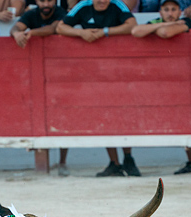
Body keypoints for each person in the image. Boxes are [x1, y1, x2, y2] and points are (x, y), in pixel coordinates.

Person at [56, 0, 142, 177]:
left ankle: (128, 158)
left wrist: (105, 32)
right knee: (104, 113)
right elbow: (61, 28)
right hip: (93, 70)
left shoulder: (117, 5)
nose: (102, 1)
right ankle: (115, 162)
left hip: (119, 68)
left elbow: (132, 25)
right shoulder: (83, 6)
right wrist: (81, 33)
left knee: (122, 112)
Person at [132, 0, 191, 174]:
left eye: (174, 10)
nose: (170, 13)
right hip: (159, 77)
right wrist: (169, 24)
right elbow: (135, 31)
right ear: (160, 11)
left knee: (188, 119)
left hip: (184, 76)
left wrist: (164, 26)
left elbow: (165, 33)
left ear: (180, 11)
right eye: (166, 9)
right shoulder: (168, 22)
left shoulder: (187, 22)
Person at [10, 0, 70, 176]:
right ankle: (51, 162)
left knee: (62, 116)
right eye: (43, 0)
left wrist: (28, 33)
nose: (46, 3)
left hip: (62, 70)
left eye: (50, 0)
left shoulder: (61, 13)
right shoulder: (31, 14)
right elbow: (15, 28)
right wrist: (16, 34)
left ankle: (62, 162)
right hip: (41, 73)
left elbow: (53, 29)